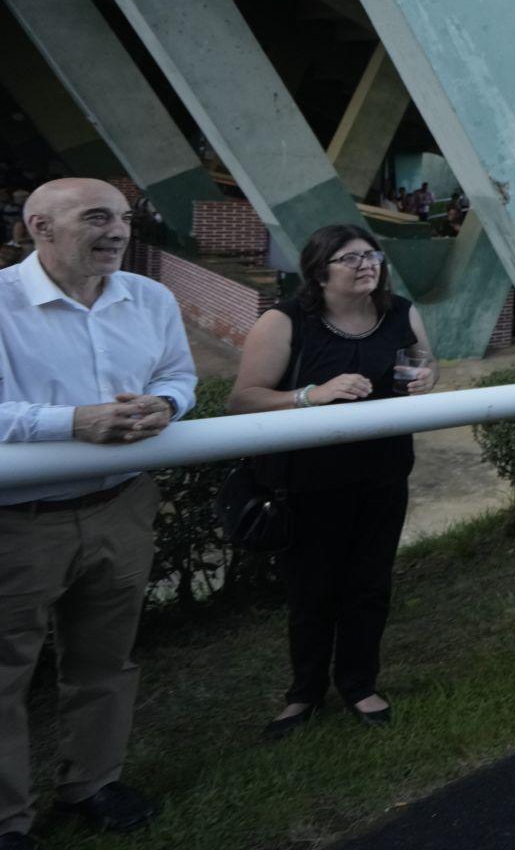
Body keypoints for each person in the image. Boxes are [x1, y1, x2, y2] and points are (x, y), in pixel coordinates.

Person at [0, 179, 195, 840]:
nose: (117, 230)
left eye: (123, 217)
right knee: (4, 677)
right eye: (96, 217)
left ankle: (91, 786)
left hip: (123, 507)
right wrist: (69, 424)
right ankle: (8, 820)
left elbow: (177, 374)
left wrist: (168, 405)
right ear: (39, 227)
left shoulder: (152, 298)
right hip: (18, 525)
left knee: (105, 663)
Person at [231, 224, 437, 738]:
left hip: (384, 474)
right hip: (307, 482)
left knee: (370, 585)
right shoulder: (285, 321)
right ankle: (303, 695)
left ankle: (360, 684)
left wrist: (429, 377)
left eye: (373, 255)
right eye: (352, 258)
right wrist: (310, 395)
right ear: (320, 271)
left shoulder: (400, 312)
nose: (368, 264)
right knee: (311, 592)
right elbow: (242, 399)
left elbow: (425, 365)